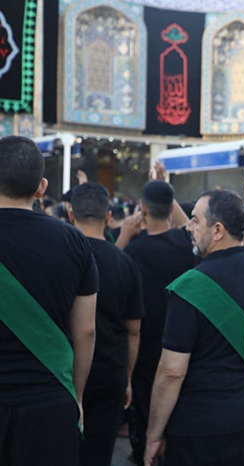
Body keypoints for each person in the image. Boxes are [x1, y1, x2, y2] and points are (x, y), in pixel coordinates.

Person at [144, 190, 244, 466]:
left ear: (217, 230)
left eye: (195, 220)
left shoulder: (189, 286)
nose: (188, 227)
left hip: (198, 429)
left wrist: (153, 435)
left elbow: (171, 372)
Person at [0, 136, 98, 465]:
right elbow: (86, 331)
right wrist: (77, 395)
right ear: (41, 187)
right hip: (49, 402)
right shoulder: (73, 241)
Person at [122, 180, 196, 465]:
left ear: (142, 209)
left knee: (144, 414)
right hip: (183, 344)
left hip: (143, 347)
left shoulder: (132, 251)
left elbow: (108, 270)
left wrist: (124, 235)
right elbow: (187, 224)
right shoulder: (186, 244)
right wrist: (166, 189)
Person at [69, 183, 144, 466]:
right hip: (109, 372)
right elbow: (134, 331)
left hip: (64, 370)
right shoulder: (125, 263)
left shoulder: (61, 256)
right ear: (109, 216)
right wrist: (127, 378)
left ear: (70, 213)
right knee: (99, 455)